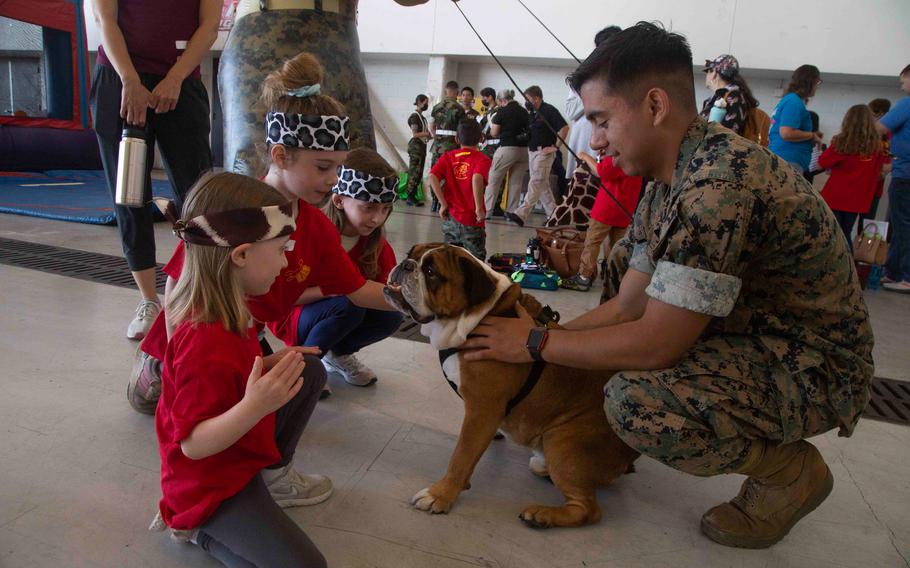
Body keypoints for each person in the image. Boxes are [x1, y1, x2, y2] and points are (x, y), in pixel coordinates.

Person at [463, 22, 872, 550]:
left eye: (602, 120)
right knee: (611, 283)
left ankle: (789, 473)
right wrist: (544, 345)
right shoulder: (670, 176)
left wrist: (538, 343)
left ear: (655, 105)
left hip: (816, 367)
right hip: (751, 334)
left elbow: (657, 341)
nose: (599, 138)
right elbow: (630, 304)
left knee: (638, 403)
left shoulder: (715, 186)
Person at [130, 53, 397, 413]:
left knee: (293, 382)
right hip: (187, 344)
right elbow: (180, 285)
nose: (334, 179)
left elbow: (358, 289)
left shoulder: (316, 226)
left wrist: (423, 302)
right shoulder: (234, 205)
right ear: (281, 155)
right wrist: (178, 353)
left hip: (240, 341)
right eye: (323, 167)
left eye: (338, 168)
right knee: (175, 414)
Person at [152, 172, 327, 567]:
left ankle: (269, 478)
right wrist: (256, 404)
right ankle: (196, 529)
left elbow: (227, 376)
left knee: (307, 371)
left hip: (236, 456)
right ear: (241, 255)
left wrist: (264, 365)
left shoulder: (231, 308)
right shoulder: (205, 338)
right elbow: (193, 445)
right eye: (282, 249)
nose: (286, 262)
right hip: (209, 483)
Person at [90, 0, 219, 340]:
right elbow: (106, 18)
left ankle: (197, 294)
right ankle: (148, 300)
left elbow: (208, 25)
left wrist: (176, 77)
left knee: (198, 196)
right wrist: (129, 80)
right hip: (119, 78)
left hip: (180, 81)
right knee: (129, 194)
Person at [288, 148, 404, 389]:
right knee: (348, 304)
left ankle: (338, 354)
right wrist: (331, 290)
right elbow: (283, 298)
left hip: (337, 312)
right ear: (339, 200)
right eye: (368, 208)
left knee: (391, 314)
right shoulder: (312, 236)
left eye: (384, 209)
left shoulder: (377, 247)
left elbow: (386, 293)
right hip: (295, 314)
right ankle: (304, 368)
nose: (377, 219)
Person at [561, 152, 643, 291]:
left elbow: (602, 172)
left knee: (592, 241)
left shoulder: (618, 154)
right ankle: (612, 275)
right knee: (616, 245)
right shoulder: (638, 155)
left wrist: (586, 157)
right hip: (625, 208)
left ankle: (584, 277)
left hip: (607, 207)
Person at [818, 105, 890, 243]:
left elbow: (822, 163)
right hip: (858, 198)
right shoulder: (877, 146)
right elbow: (880, 173)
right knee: (845, 234)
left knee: (831, 235)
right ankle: (849, 263)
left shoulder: (842, 141)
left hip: (835, 195)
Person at [428, 119, 492, 260]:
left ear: (457, 139)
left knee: (450, 260)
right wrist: (479, 208)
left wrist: (443, 203)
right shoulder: (482, 159)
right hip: (472, 221)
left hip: (451, 219)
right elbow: (476, 178)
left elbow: (432, 176)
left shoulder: (448, 157)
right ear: (481, 138)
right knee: (475, 263)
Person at [505, 85, 568, 227]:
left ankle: (521, 214)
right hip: (532, 152)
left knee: (535, 182)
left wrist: (556, 147)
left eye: (528, 99)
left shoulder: (549, 110)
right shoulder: (533, 113)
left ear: (536, 98)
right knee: (542, 185)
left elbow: (564, 128)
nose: (526, 102)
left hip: (544, 153)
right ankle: (554, 216)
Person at [566, 26, 622, 177]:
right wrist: (590, 90)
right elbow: (571, 111)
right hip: (585, 137)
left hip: (615, 143)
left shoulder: (626, 74)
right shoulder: (583, 75)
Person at [877, 64, 910, 292]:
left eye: (903, 81)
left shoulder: (907, 104)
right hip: (902, 169)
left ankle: (906, 276)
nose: (902, 86)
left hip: (905, 175)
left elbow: (879, 127)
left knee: (903, 225)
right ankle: (893, 272)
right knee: (900, 225)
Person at [768, 64, 824, 174]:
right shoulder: (794, 102)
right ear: (810, 82)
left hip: (785, 159)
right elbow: (787, 133)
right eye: (817, 82)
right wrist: (811, 135)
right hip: (787, 160)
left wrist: (810, 135)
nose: (817, 86)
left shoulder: (790, 100)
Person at [483, 89, 530, 217]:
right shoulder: (524, 111)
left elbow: (494, 133)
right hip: (524, 150)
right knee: (516, 182)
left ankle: (487, 211)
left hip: (507, 148)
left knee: (494, 179)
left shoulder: (502, 111)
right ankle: (511, 212)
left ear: (503, 100)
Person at [429, 80, 467, 212]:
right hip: (452, 146)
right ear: (457, 92)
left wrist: (436, 136)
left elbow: (431, 126)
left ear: (446, 91)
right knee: (448, 174)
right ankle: (443, 203)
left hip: (437, 145)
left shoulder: (437, 106)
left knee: (434, 172)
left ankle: (434, 201)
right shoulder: (459, 108)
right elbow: (462, 129)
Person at [700, 54, 759, 136]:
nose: (706, 76)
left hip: (718, 148)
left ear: (714, 73)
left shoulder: (733, 96)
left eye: (708, 71)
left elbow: (728, 134)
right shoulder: (723, 96)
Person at [859, 98, 893, 236]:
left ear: (880, 114)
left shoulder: (886, 135)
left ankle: (861, 252)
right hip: (861, 183)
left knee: (866, 224)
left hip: (872, 186)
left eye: (871, 114)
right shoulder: (863, 132)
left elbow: (886, 161)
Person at [405, 94, 431, 206]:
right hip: (415, 147)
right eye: (425, 102)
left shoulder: (423, 118)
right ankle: (409, 196)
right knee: (414, 172)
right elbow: (415, 134)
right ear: (420, 102)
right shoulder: (414, 117)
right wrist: (427, 134)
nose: (427, 105)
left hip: (421, 146)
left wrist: (429, 136)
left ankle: (413, 195)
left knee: (419, 172)